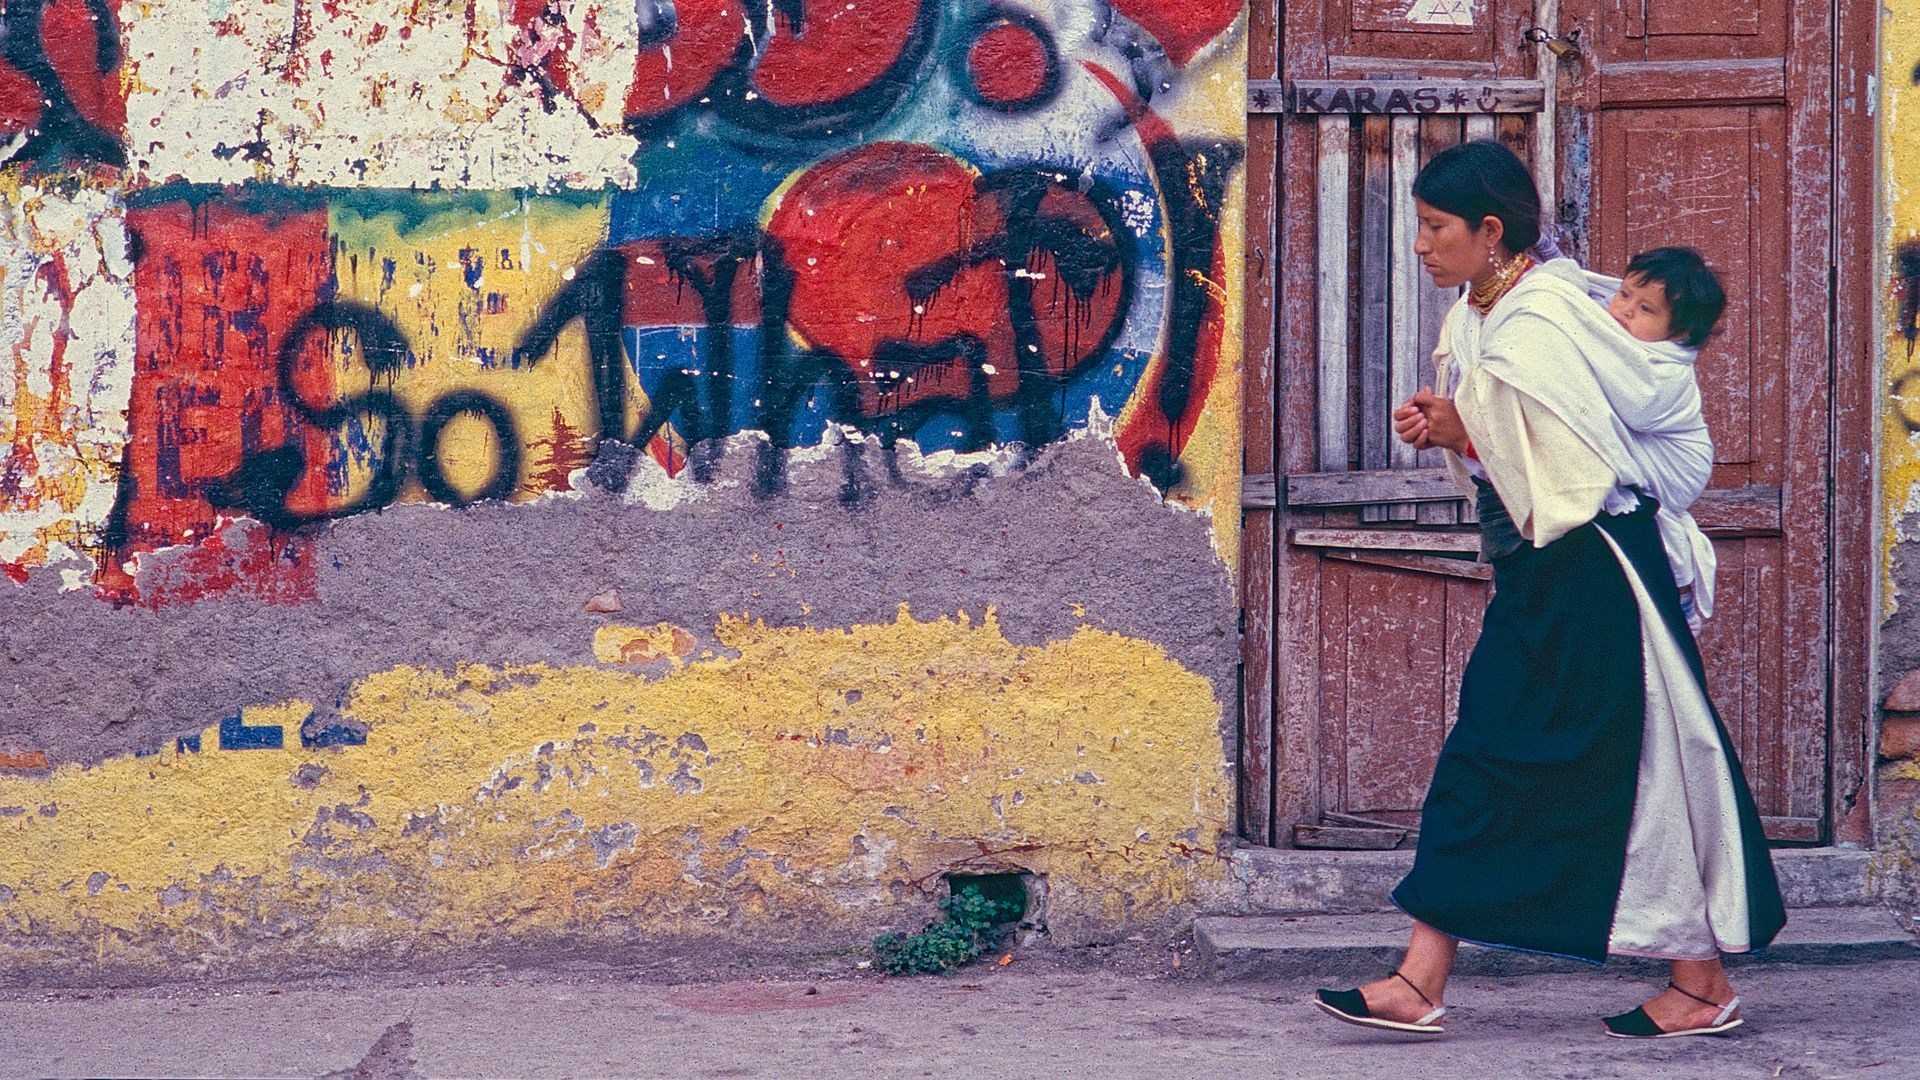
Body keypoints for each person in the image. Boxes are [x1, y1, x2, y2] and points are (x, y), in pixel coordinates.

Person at [1310, 140, 1784, 1040]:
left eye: (1434, 227)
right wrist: (1459, 429)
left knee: (1621, 764)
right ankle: (1437, 977)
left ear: (1490, 232)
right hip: (1551, 570)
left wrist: (1465, 429)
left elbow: (1576, 468)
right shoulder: (1491, 311)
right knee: (1552, 758)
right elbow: (1523, 443)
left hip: (1593, 568)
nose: (1420, 244)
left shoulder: (1540, 321)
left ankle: (1689, 982)